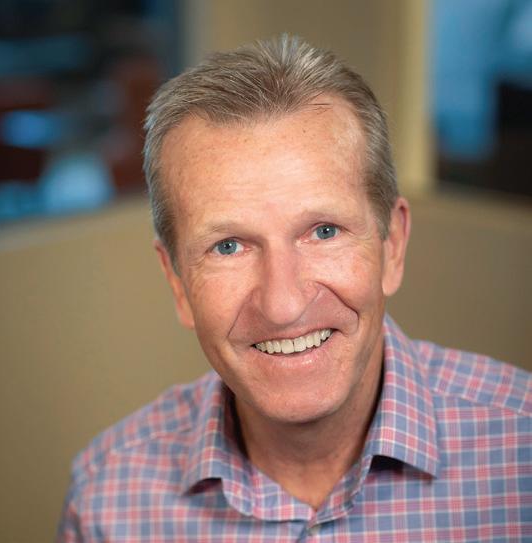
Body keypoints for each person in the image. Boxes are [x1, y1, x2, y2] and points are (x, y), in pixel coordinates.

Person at [57, 35, 532, 542]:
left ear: (392, 246)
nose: (283, 306)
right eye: (228, 246)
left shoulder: (521, 450)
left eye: (324, 231)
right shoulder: (107, 499)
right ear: (177, 281)